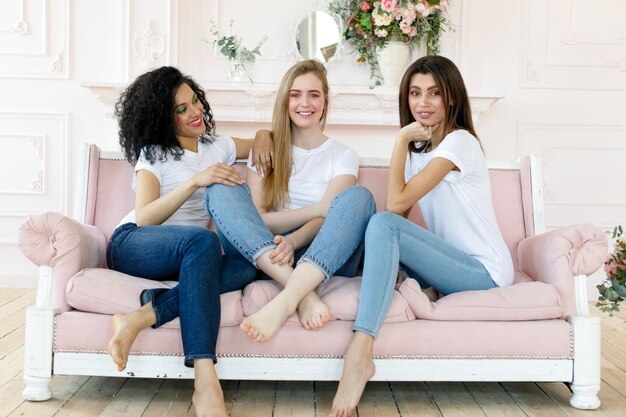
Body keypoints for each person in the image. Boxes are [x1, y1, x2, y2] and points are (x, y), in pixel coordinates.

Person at [328, 55, 515, 417]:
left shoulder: (460, 143)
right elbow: (395, 215)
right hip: (450, 267)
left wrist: (399, 140)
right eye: (415, 93)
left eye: (433, 93)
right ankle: (414, 293)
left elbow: (393, 207)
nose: (423, 103)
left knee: (382, 225)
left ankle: (360, 350)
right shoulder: (421, 151)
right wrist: (406, 146)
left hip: (485, 272)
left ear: (451, 98)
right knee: (381, 227)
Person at [105, 66, 272, 417]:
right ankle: (204, 379)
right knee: (203, 242)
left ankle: (140, 317)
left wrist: (262, 135)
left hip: (190, 253)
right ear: (162, 118)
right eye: (181, 109)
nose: (195, 112)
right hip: (135, 243)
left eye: (195, 101)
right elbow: (146, 216)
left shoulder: (218, 146)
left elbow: (261, 137)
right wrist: (196, 181)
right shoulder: (154, 154)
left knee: (247, 263)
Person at [204, 59, 376, 342]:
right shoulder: (265, 149)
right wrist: (317, 212)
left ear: (325, 102)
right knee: (219, 190)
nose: (304, 103)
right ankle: (304, 295)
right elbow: (255, 219)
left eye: (313, 94)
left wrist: (294, 241)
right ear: (285, 101)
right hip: (265, 250)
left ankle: (285, 301)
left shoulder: (343, 155)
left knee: (360, 198)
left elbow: (333, 221)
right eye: (295, 94)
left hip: (323, 250)